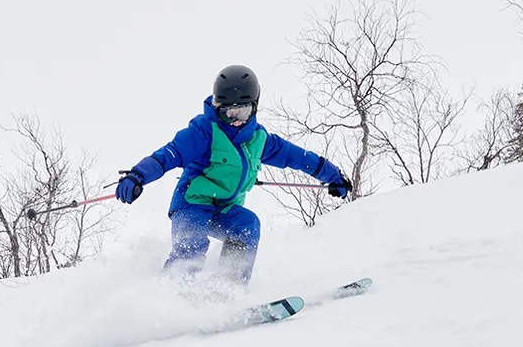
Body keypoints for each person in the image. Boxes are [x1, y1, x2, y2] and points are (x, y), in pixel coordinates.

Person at [115, 65, 353, 285]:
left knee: (247, 225)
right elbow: (169, 154)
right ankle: (169, 297)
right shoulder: (204, 131)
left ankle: (227, 290)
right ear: (218, 106)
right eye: (229, 112)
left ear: (254, 106)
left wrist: (333, 176)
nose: (236, 119)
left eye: (243, 111)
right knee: (193, 245)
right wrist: (137, 176)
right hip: (192, 203)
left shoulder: (259, 139)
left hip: (224, 208)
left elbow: (298, 157)